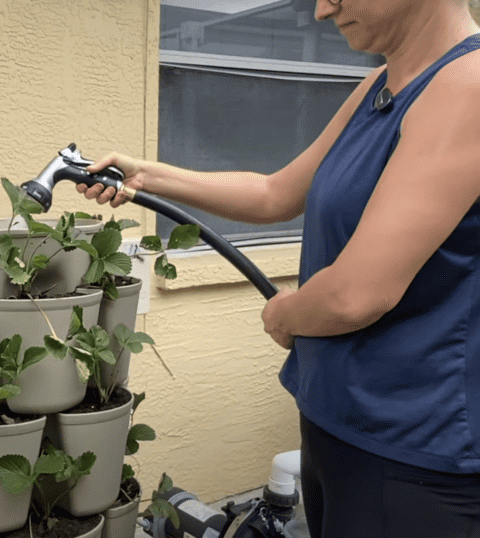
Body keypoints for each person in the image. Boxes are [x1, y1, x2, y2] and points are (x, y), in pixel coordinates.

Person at [77, 1, 480, 536]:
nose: (320, 10)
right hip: (337, 417)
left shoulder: (467, 87)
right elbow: (276, 194)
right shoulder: (382, 84)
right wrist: (145, 175)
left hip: (415, 450)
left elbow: (355, 295)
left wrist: (285, 315)